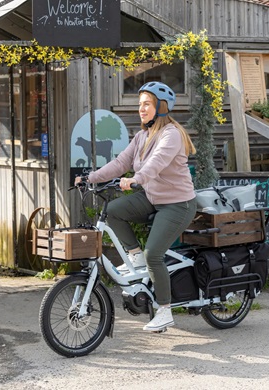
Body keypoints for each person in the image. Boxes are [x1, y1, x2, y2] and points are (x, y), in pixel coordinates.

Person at [75, 81, 197, 332]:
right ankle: (134, 255)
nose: (141, 109)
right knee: (113, 212)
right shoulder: (142, 136)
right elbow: (121, 162)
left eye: (147, 104)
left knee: (155, 255)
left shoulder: (171, 134)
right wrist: (91, 177)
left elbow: (157, 163)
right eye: (140, 104)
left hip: (177, 204)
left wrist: (136, 179)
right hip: (152, 198)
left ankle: (164, 310)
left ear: (161, 107)